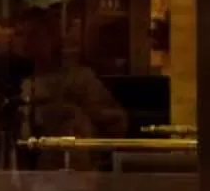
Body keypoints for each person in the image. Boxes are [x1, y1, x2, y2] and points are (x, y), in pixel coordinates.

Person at [15, 7, 127, 140]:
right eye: (20, 34)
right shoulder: (11, 82)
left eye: (33, 34)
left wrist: (79, 113)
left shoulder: (80, 79)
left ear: (52, 37)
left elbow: (117, 123)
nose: (25, 42)